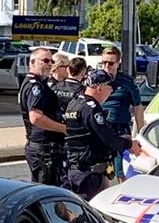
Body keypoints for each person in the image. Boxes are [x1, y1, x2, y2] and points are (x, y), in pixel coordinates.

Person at [63, 69, 141, 200]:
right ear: (99, 88)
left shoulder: (74, 103)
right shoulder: (92, 108)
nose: (111, 92)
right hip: (90, 172)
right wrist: (129, 144)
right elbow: (107, 138)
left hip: (76, 167)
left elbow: (93, 136)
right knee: (93, 210)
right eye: (110, 88)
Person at [18, 48, 66, 186]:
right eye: (45, 60)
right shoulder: (35, 86)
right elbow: (36, 117)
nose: (49, 64)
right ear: (32, 62)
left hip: (44, 149)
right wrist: (63, 128)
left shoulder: (40, 83)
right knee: (46, 196)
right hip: (44, 151)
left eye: (51, 61)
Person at [97, 47, 144, 183]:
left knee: (121, 170)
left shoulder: (127, 82)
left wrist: (140, 133)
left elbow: (138, 107)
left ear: (118, 63)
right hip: (100, 129)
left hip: (120, 131)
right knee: (100, 170)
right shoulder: (95, 79)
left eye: (110, 63)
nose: (106, 66)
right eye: (104, 62)